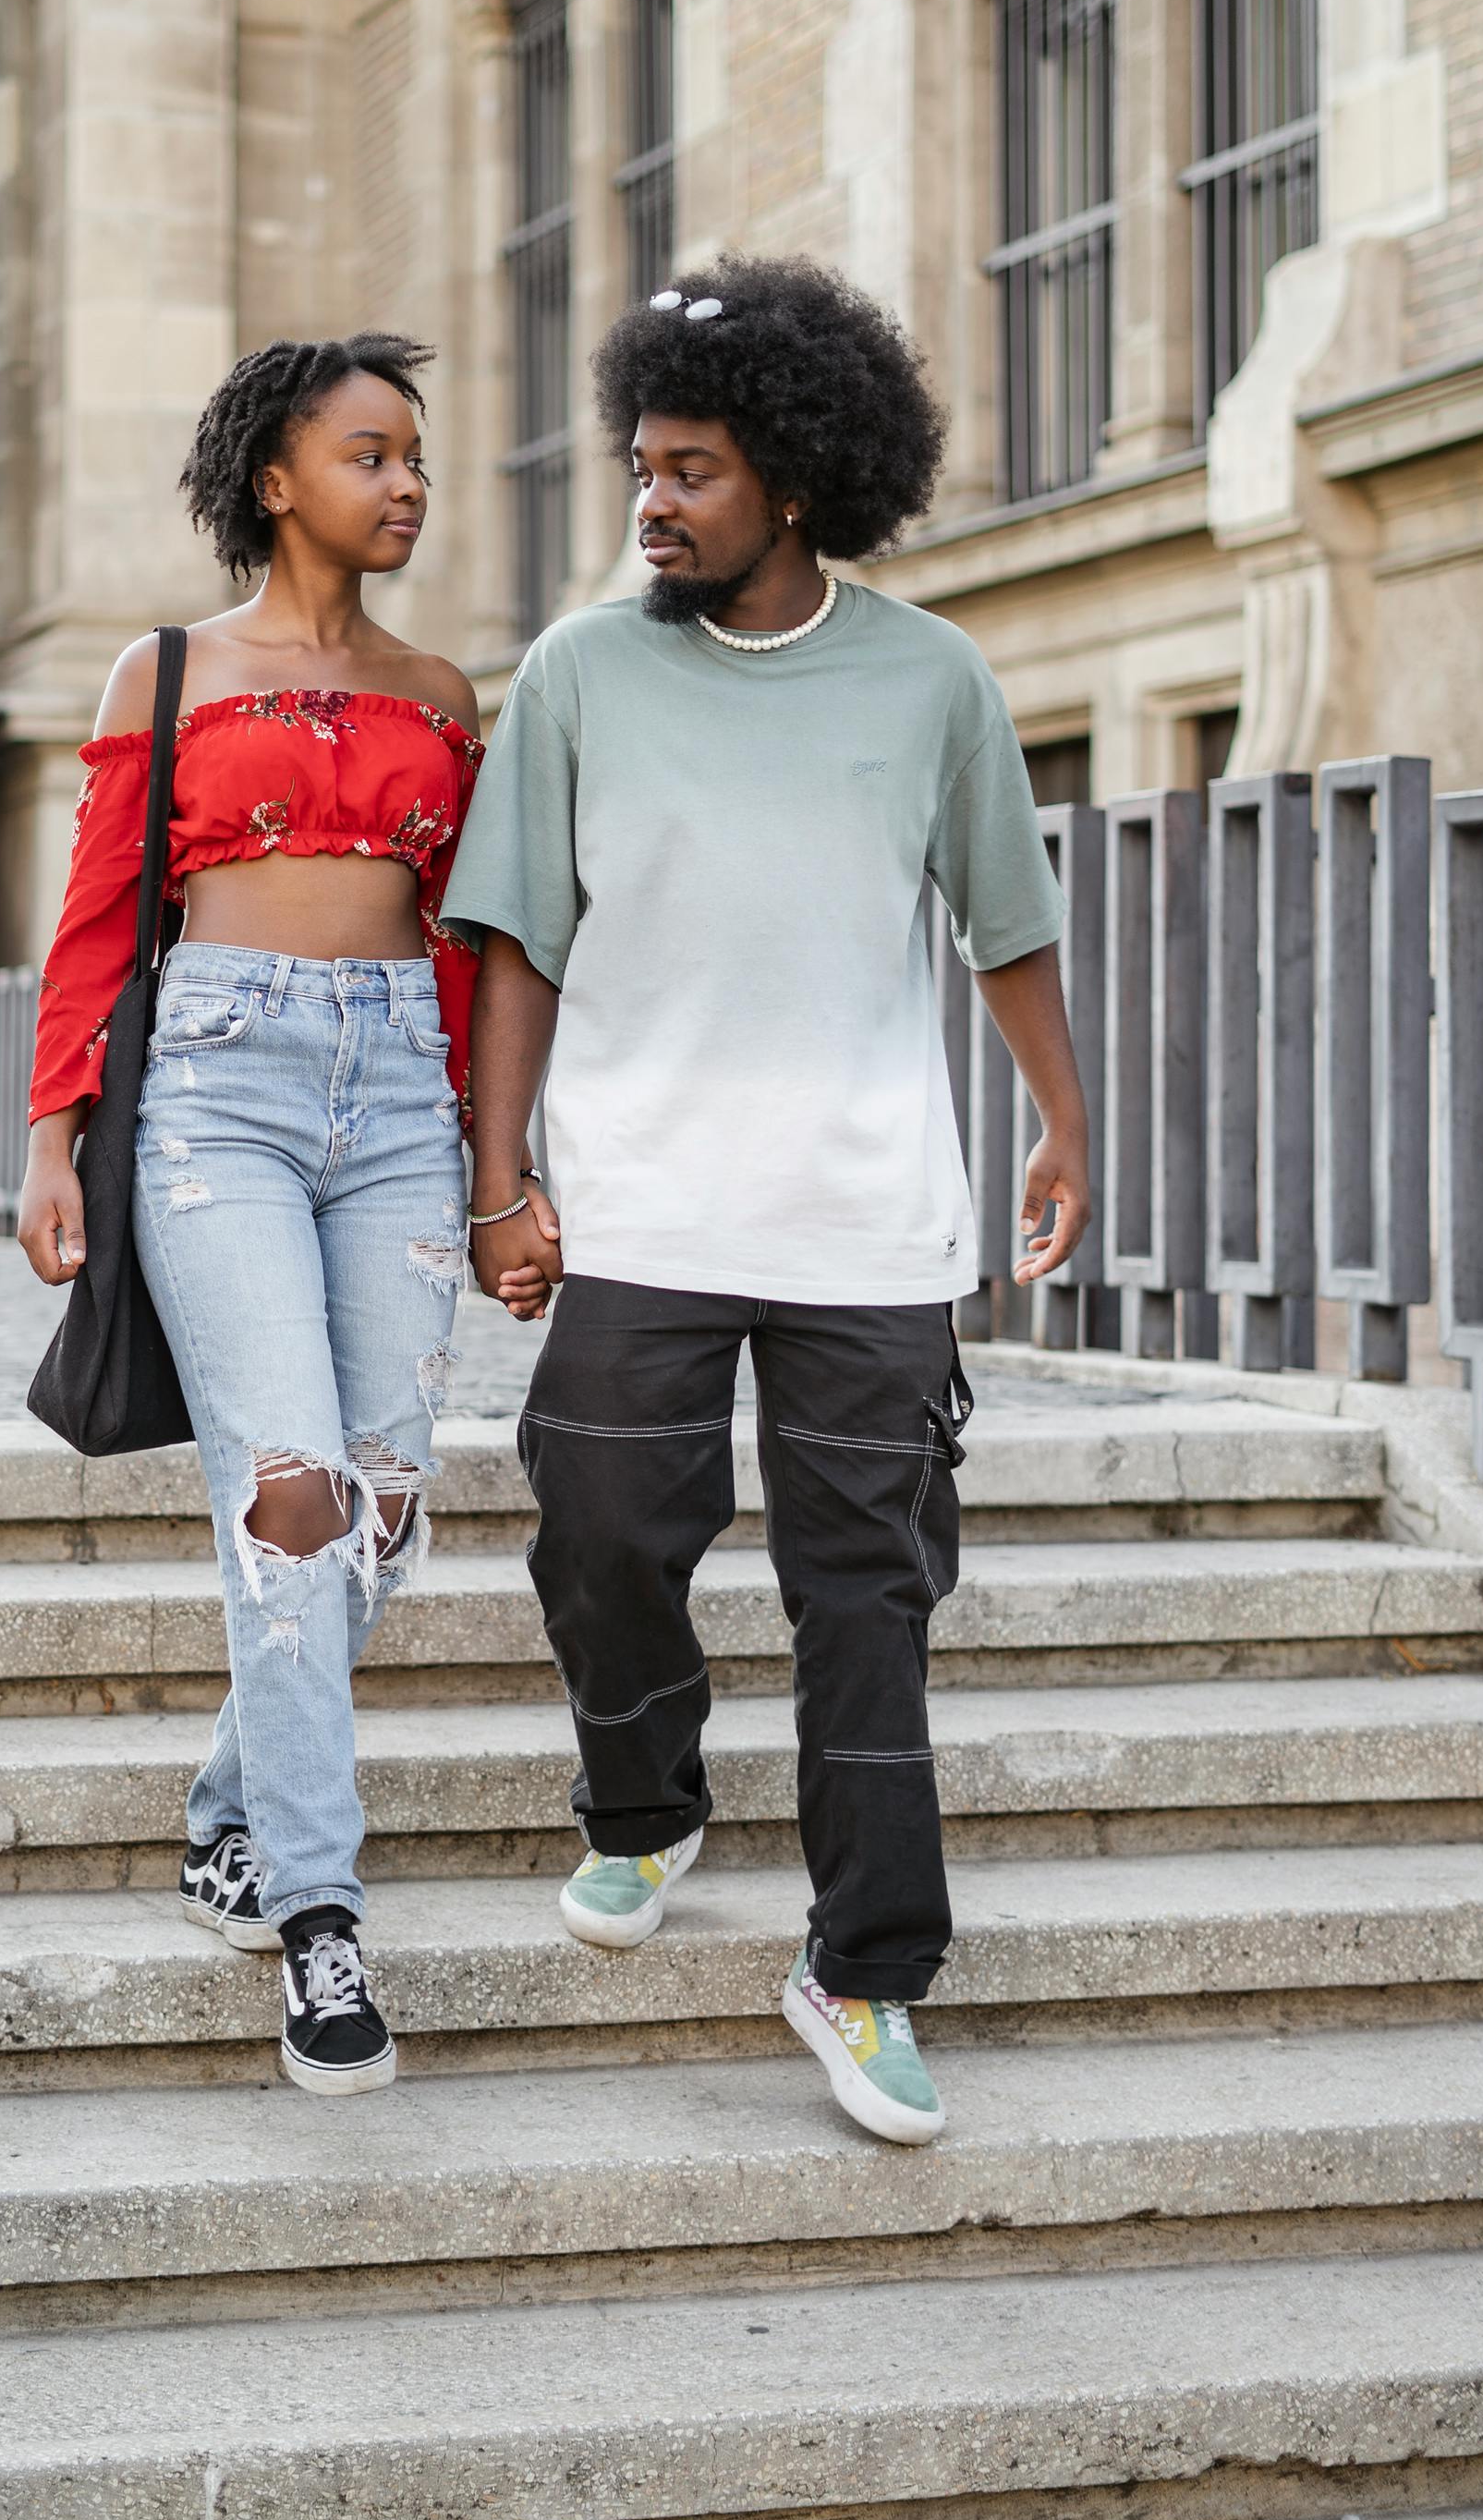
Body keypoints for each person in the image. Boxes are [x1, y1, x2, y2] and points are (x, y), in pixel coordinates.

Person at [443, 254, 1088, 2147]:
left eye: (693, 469)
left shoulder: (933, 675)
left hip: (867, 1221)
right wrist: (505, 1177)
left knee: (866, 1599)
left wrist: (1061, 1121)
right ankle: (645, 1805)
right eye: (642, 465)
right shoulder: (576, 673)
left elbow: (1009, 924)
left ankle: (869, 1966)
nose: (652, 500)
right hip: (640, 1209)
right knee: (603, 1535)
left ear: (796, 479)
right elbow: (518, 946)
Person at [18, 335, 482, 2098]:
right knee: (287, 1494)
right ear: (276, 481)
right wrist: (58, 1138)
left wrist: (504, 1164)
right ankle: (316, 1917)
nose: (408, 485)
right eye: (372, 455)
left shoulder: (442, 690)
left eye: (419, 460)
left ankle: (227, 1812)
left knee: (384, 1502)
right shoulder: (166, 674)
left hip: (403, 1098)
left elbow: (470, 945)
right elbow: (96, 917)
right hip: (218, 1087)